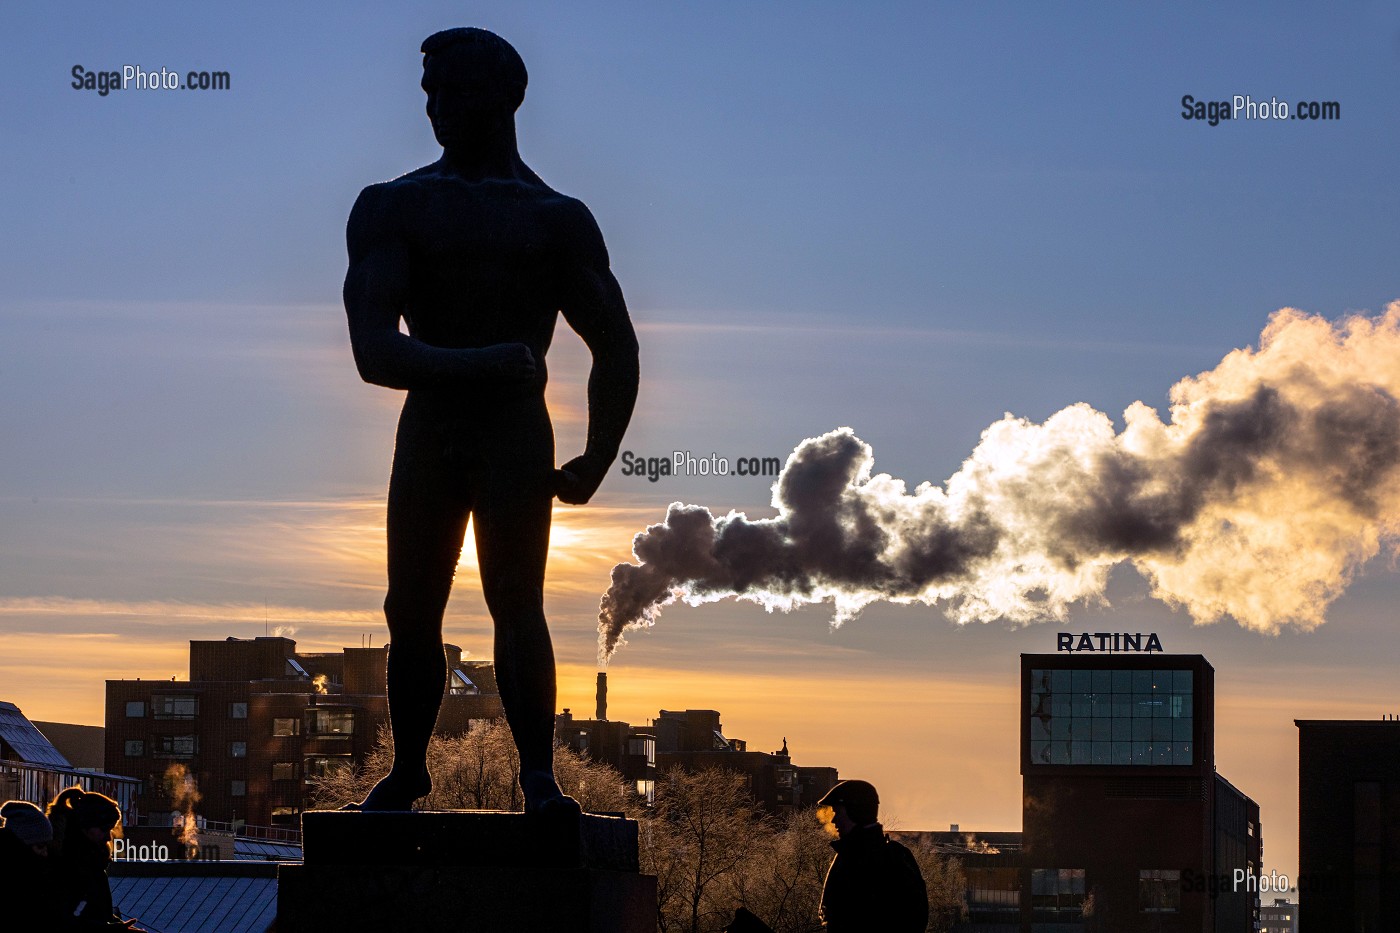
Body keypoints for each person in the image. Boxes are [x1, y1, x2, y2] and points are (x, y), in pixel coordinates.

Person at [343, 26, 639, 815]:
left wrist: (599, 453)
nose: (436, 108)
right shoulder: (396, 207)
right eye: (429, 94)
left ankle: (537, 774)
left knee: (517, 599)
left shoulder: (553, 218)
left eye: (452, 91)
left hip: (513, 437)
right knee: (410, 606)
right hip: (435, 430)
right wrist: (483, 364)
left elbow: (615, 344)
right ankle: (409, 770)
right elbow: (374, 351)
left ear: (502, 98)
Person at [816, 780, 928, 932]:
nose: (834, 820)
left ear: (855, 812)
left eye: (838, 813)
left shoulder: (854, 860)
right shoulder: (897, 856)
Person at [46, 787, 136, 929]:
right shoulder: (68, 867)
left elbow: (91, 913)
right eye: (105, 829)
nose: (108, 837)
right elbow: (64, 918)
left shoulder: (89, 862)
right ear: (84, 827)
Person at [1, 800, 59, 928]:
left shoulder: (24, 871)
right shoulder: (22, 878)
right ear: (22, 845)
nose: (45, 853)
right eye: (40, 846)